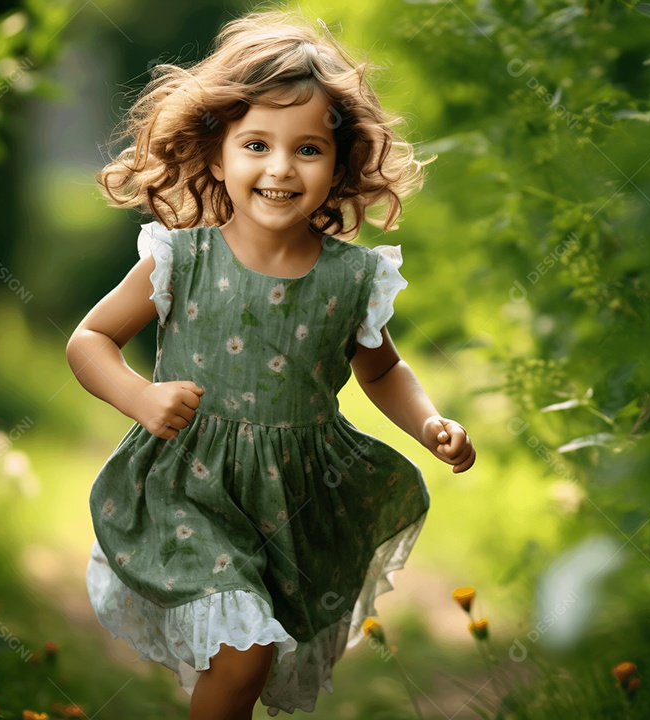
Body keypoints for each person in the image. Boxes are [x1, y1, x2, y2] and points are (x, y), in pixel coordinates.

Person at [65, 10, 475, 719]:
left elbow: (381, 371)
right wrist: (140, 397)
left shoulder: (354, 279)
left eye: (308, 149)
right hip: (190, 486)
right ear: (218, 151)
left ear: (339, 164)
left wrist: (431, 421)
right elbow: (89, 341)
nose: (280, 168)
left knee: (246, 658)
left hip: (297, 498)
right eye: (257, 144)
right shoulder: (180, 258)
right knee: (243, 649)